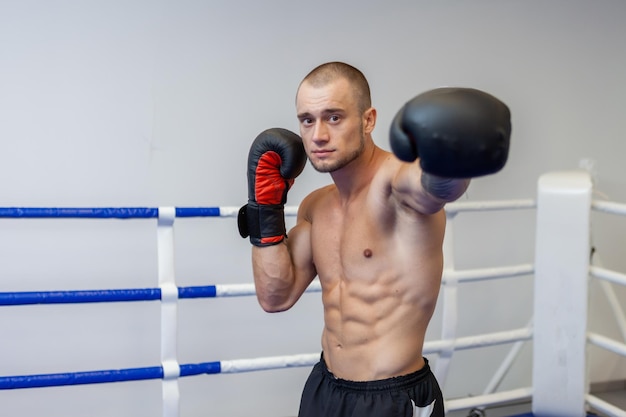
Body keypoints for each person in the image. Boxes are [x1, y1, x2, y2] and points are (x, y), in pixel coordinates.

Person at [238, 62, 511, 417]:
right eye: (307, 119)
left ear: (368, 120)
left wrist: (452, 162)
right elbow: (275, 296)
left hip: (392, 398)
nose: (318, 134)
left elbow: (434, 189)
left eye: (333, 117)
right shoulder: (315, 205)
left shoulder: (396, 185)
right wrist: (264, 208)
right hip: (326, 389)